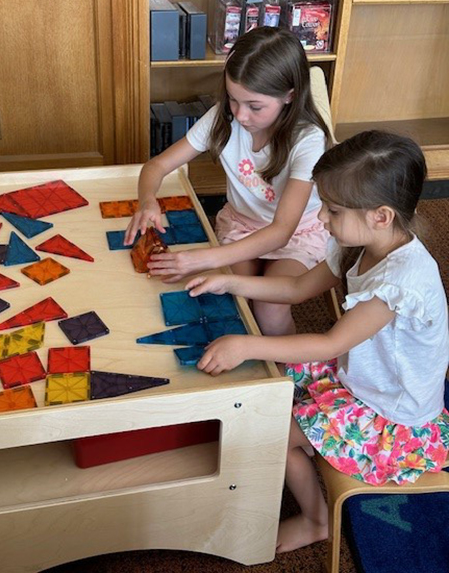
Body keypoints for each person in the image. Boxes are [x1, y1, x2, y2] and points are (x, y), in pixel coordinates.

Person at [185, 131, 449, 552]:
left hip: (391, 417)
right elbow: (296, 289)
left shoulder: (401, 282)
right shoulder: (357, 241)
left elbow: (328, 343)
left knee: (271, 429)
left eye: (333, 209)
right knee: (270, 386)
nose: (321, 218)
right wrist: (230, 280)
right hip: (358, 375)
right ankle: (306, 446)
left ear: (381, 216)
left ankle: (315, 520)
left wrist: (246, 344)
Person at [125, 26, 331, 337]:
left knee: (269, 307)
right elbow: (156, 166)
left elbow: (281, 232)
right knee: (229, 298)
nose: (240, 114)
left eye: (254, 106)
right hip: (242, 225)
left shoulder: (308, 139)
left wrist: (199, 259)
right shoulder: (224, 117)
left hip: (297, 233)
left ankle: (290, 373)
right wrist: (147, 200)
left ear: (290, 96)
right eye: (233, 99)